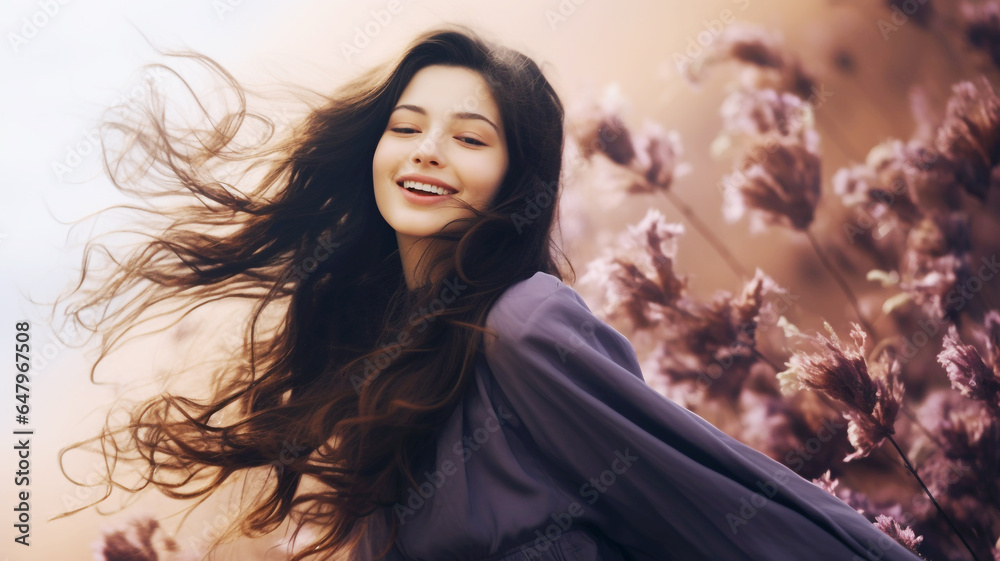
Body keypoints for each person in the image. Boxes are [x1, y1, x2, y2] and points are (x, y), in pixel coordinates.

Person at [55, 26, 924, 561]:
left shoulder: (523, 324)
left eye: (470, 137)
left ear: (517, 179)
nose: (428, 151)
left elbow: (713, 503)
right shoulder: (385, 360)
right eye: (406, 127)